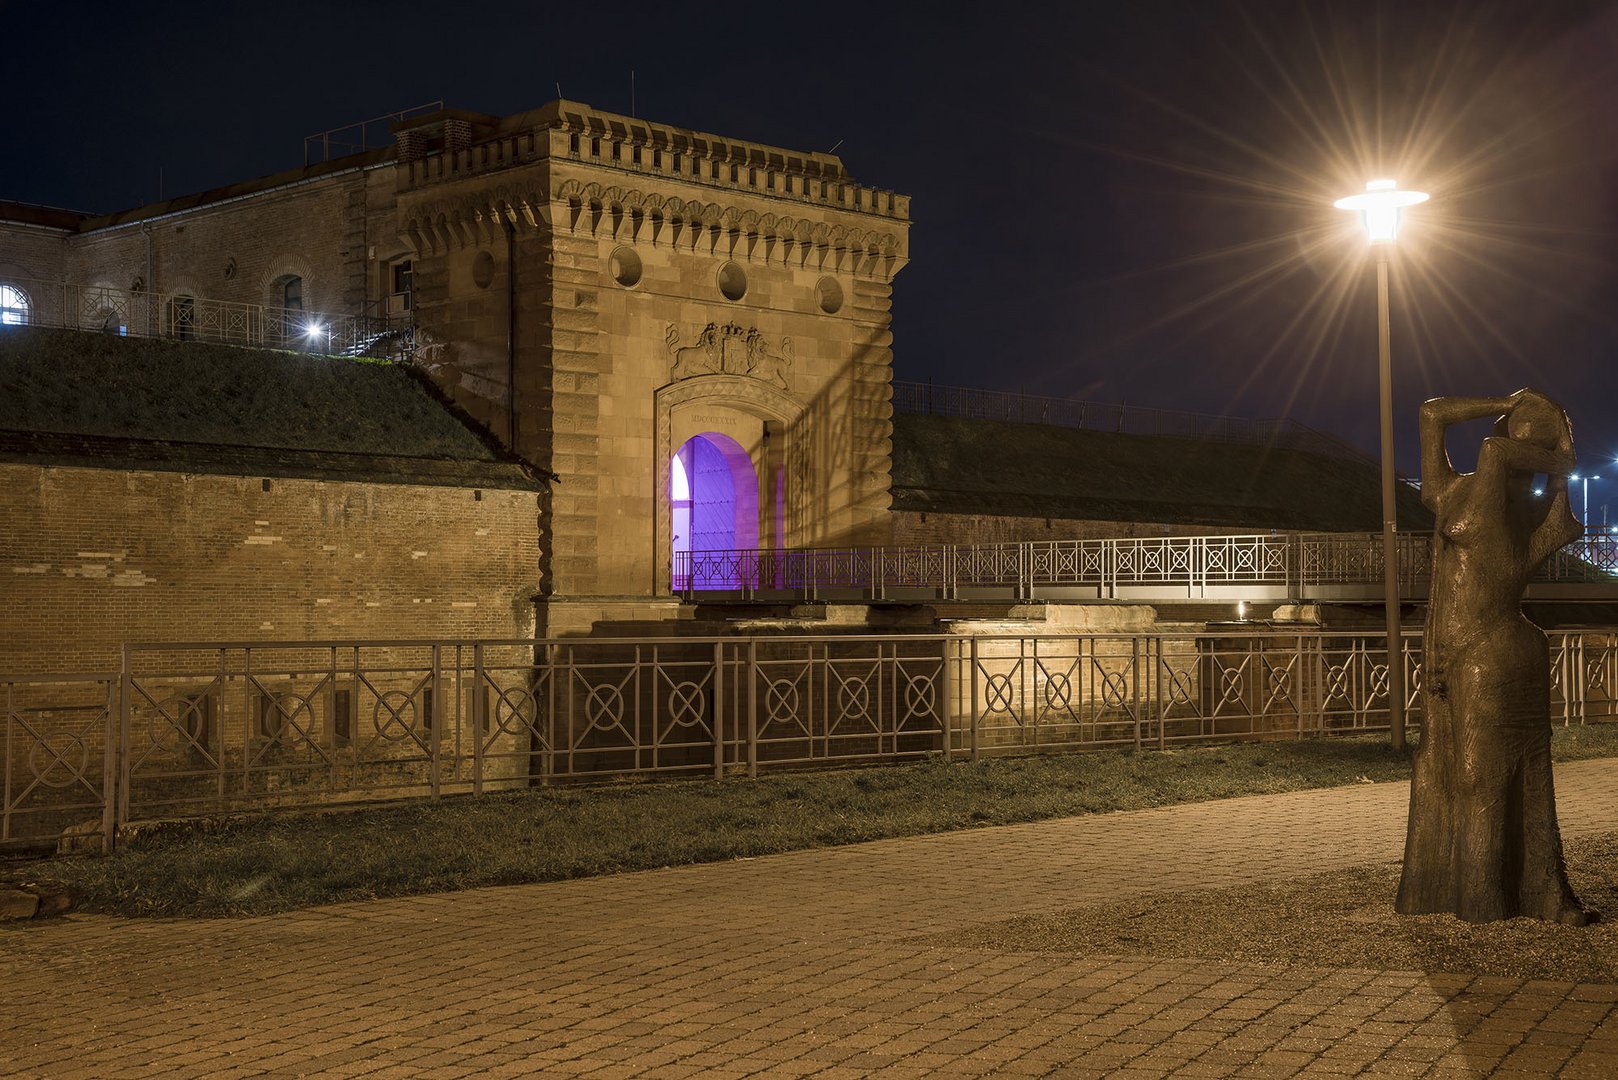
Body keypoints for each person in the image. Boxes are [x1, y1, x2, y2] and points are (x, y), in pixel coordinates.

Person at [1396, 389, 1593, 923]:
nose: (1508, 432)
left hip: (1494, 656)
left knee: (1483, 778)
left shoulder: (1513, 514)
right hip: (1457, 656)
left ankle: (1486, 901)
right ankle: (1445, 890)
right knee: (1445, 770)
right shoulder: (1457, 494)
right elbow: (1430, 413)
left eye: (1518, 428)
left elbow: (1495, 452)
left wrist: (1560, 457)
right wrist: (1505, 400)